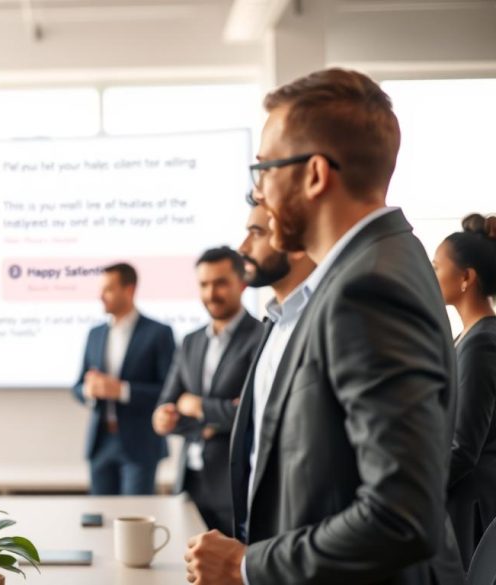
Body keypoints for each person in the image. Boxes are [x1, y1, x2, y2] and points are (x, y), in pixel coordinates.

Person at [185, 68, 463, 584]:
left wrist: (246, 566)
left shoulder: (369, 288)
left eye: (264, 168)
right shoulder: (359, 271)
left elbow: (399, 516)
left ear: (314, 175)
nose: (260, 193)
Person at [153, 246, 262, 534]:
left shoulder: (261, 338)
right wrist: (171, 417)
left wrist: (198, 406)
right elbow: (167, 406)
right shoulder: (190, 341)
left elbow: (253, 414)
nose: (211, 293)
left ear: (242, 283)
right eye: (204, 284)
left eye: (220, 283)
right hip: (190, 481)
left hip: (234, 485)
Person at [72, 262, 175, 495]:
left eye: (108, 289)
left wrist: (121, 390)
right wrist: (89, 390)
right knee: (99, 518)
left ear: (129, 290)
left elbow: (168, 391)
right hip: (101, 442)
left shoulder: (158, 333)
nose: (100, 296)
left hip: (140, 444)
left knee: (135, 521)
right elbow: (77, 386)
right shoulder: (95, 334)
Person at [433, 212, 496, 570]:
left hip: (474, 507)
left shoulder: (481, 344)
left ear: (466, 279)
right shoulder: (468, 338)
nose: (431, 273)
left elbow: (465, 446)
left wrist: (417, 490)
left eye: (436, 265)